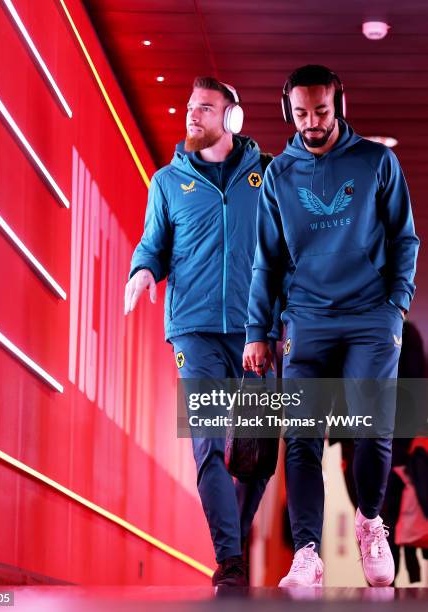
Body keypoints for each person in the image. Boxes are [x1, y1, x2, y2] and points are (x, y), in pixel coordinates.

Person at [243, 65, 419, 587]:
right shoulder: (278, 175)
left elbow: (404, 239)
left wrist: (397, 306)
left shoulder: (375, 162)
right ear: (287, 111)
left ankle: (370, 522)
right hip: (306, 319)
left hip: (370, 315)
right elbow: (266, 259)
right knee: (301, 438)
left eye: (321, 111)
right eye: (301, 113)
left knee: (374, 427)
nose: (312, 122)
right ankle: (307, 553)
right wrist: (258, 330)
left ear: (339, 104)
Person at [125, 77, 279, 588]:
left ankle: (231, 540)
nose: (192, 116)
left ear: (231, 118)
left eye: (205, 109)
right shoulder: (168, 182)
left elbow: (291, 249)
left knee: (257, 453)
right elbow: (153, 243)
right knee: (208, 445)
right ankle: (230, 561)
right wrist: (143, 271)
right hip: (193, 330)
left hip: (258, 329)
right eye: (190, 108)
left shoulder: (271, 175)